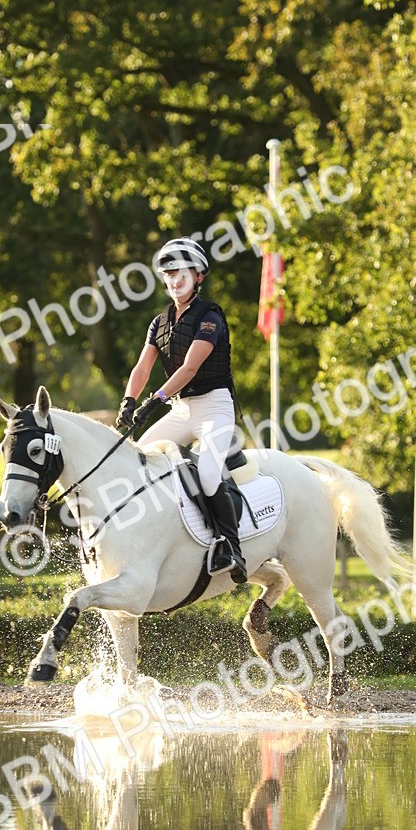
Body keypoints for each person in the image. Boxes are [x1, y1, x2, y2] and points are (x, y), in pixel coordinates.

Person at [115, 237, 247, 583]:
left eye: (182, 273)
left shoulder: (210, 317)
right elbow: (142, 368)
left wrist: (153, 401)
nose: (174, 280)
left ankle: (231, 547)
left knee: (207, 475)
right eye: (169, 274)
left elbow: (189, 368)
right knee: (139, 456)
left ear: (199, 276)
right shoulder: (159, 323)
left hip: (215, 408)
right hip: (182, 409)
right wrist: (129, 400)